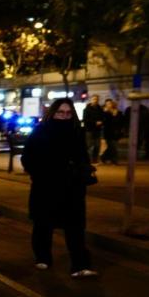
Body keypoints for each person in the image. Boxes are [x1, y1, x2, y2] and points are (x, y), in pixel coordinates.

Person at [21, 98, 97, 278]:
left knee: (75, 227)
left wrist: (83, 172)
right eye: (60, 112)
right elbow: (28, 157)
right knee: (43, 224)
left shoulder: (76, 132)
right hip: (46, 186)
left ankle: (79, 265)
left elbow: (83, 157)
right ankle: (43, 257)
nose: (64, 116)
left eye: (68, 113)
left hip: (72, 187)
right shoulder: (41, 132)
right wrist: (39, 174)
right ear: (53, 113)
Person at [82, 94, 104, 163]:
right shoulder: (86, 109)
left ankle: (95, 159)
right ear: (91, 100)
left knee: (97, 146)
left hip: (97, 130)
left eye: (96, 99)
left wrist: (101, 122)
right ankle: (88, 159)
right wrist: (95, 122)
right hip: (89, 130)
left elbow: (103, 118)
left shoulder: (100, 109)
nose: (95, 100)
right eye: (94, 99)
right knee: (88, 145)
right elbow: (85, 119)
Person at [100, 98, 122, 164]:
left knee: (111, 147)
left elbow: (120, 121)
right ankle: (114, 160)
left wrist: (115, 115)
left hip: (116, 132)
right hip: (108, 132)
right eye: (107, 104)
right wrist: (106, 113)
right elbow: (104, 122)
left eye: (110, 103)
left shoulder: (118, 112)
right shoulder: (104, 112)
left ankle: (103, 157)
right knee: (113, 146)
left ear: (112, 104)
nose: (109, 105)